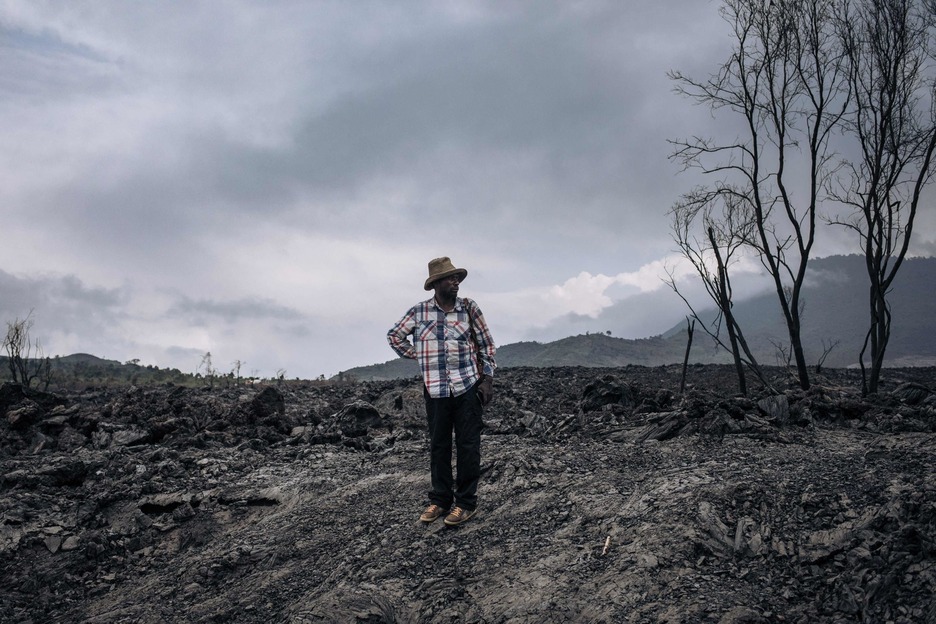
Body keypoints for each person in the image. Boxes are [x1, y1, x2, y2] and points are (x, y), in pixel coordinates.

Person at [387, 257, 496, 526]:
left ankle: (466, 504)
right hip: (435, 389)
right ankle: (440, 500)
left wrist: (487, 380)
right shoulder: (419, 312)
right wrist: (418, 354)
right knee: (439, 446)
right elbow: (394, 336)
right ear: (435, 284)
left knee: (468, 445)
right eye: (449, 278)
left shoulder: (469, 309)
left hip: (467, 385)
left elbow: (486, 344)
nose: (455, 281)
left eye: (457, 277)